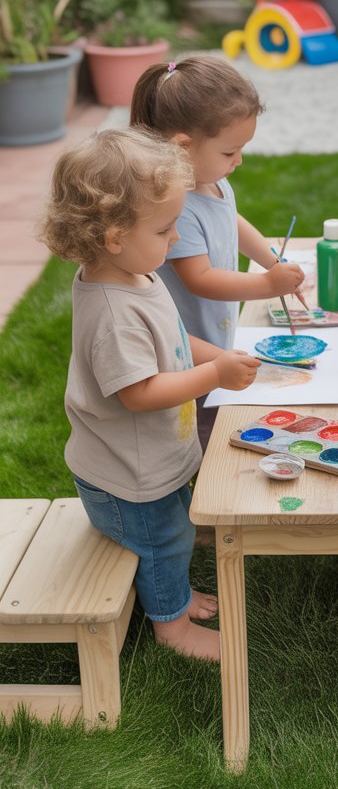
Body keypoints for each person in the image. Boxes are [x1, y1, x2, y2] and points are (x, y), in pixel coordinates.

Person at [37, 128, 262, 661]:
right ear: (114, 236)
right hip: (126, 476)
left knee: (176, 526)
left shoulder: (135, 273)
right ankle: (172, 625)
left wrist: (213, 358)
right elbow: (140, 393)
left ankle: (174, 597)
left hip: (148, 458)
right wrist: (214, 377)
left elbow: (175, 339)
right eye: (165, 229)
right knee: (164, 543)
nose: (177, 238)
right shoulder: (113, 312)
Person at [131, 55, 304, 448]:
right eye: (230, 152)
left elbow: (233, 222)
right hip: (189, 347)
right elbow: (200, 278)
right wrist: (265, 284)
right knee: (204, 428)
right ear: (182, 147)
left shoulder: (210, 180)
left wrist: (273, 261)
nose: (239, 161)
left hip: (215, 337)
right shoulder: (179, 205)